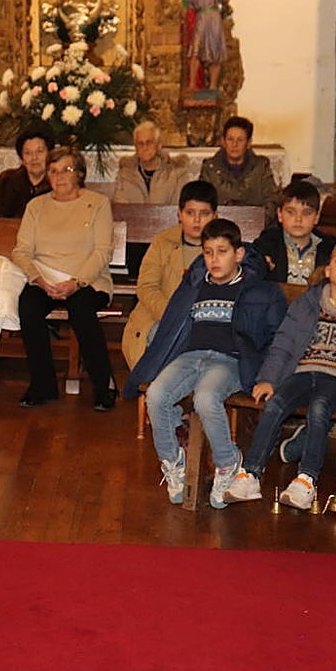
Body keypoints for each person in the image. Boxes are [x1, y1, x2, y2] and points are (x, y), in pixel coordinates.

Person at [224, 241, 336, 509]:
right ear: (327, 269)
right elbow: (283, 344)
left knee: (319, 408)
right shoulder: (306, 304)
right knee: (275, 404)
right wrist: (268, 378)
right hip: (303, 372)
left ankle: (306, 480)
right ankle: (250, 474)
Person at [123, 218, 287, 509]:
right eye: (208, 252)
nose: (214, 259)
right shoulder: (194, 287)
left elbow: (278, 336)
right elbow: (171, 325)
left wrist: (269, 375)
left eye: (222, 252)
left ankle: (227, 464)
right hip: (191, 357)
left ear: (238, 254)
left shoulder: (259, 291)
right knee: (156, 395)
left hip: (230, 360)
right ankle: (174, 463)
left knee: (206, 398)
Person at [12, 146, 117, 411]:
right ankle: (42, 385)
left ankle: (104, 384)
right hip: (45, 279)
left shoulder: (98, 204)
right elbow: (21, 251)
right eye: (53, 171)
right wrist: (38, 280)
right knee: (28, 307)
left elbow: (102, 251)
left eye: (66, 170)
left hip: (87, 280)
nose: (59, 177)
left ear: (79, 173)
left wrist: (76, 282)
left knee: (81, 310)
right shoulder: (36, 206)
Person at [121, 179, 217, 369]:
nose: (197, 220)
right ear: (179, 214)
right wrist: (172, 315)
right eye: (190, 213)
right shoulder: (162, 242)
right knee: (164, 337)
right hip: (159, 316)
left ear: (215, 215)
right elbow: (146, 287)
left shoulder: (220, 248)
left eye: (204, 213)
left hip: (204, 320)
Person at [251, 178, 336, 285]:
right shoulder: (266, 245)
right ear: (279, 214)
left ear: (316, 217)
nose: (298, 219)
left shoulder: (329, 248)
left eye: (307, 213)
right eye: (291, 212)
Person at [199, 116, 282, 208]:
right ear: (223, 141)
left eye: (240, 140)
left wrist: (259, 217)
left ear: (248, 143)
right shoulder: (210, 168)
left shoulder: (261, 167)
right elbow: (202, 201)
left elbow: (271, 201)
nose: (234, 144)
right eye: (230, 139)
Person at [111, 120, 195, 204]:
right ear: (135, 147)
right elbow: (120, 207)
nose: (145, 148)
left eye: (149, 142)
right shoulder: (125, 174)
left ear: (158, 145)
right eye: (140, 143)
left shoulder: (177, 173)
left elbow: (180, 206)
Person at [0, 125, 54, 218]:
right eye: (28, 153)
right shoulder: (7, 181)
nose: (34, 157)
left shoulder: (56, 183)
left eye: (39, 151)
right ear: (22, 158)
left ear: (49, 154)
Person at [185, 0, 227, 93]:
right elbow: (189, 6)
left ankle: (213, 86)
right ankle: (192, 84)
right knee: (196, 50)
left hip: (214, 20)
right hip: (201, 19)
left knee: (215, 52)